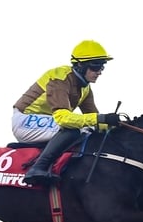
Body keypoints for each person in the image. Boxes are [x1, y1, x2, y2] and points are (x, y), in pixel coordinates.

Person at [12, 40, 120, 185]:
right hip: (25, 121)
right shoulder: (59, 78)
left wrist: (115, 126)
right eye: (96, 67)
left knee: (89, 130)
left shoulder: (85, 88)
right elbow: (63, 119)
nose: (99, 72)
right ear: (80, 65)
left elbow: (95, 120)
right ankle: (38, 168)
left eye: (102, 67)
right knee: (73, 129)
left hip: (48, 122)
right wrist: (101, 118)